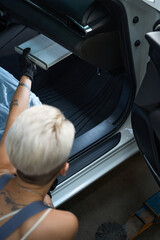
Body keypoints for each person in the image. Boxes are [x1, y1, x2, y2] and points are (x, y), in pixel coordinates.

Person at [0, 48, 78, 239]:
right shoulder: (62, 223)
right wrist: (46, 199)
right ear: (63, 169)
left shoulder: (3, 166)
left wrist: (27, 75)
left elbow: (15, 115)